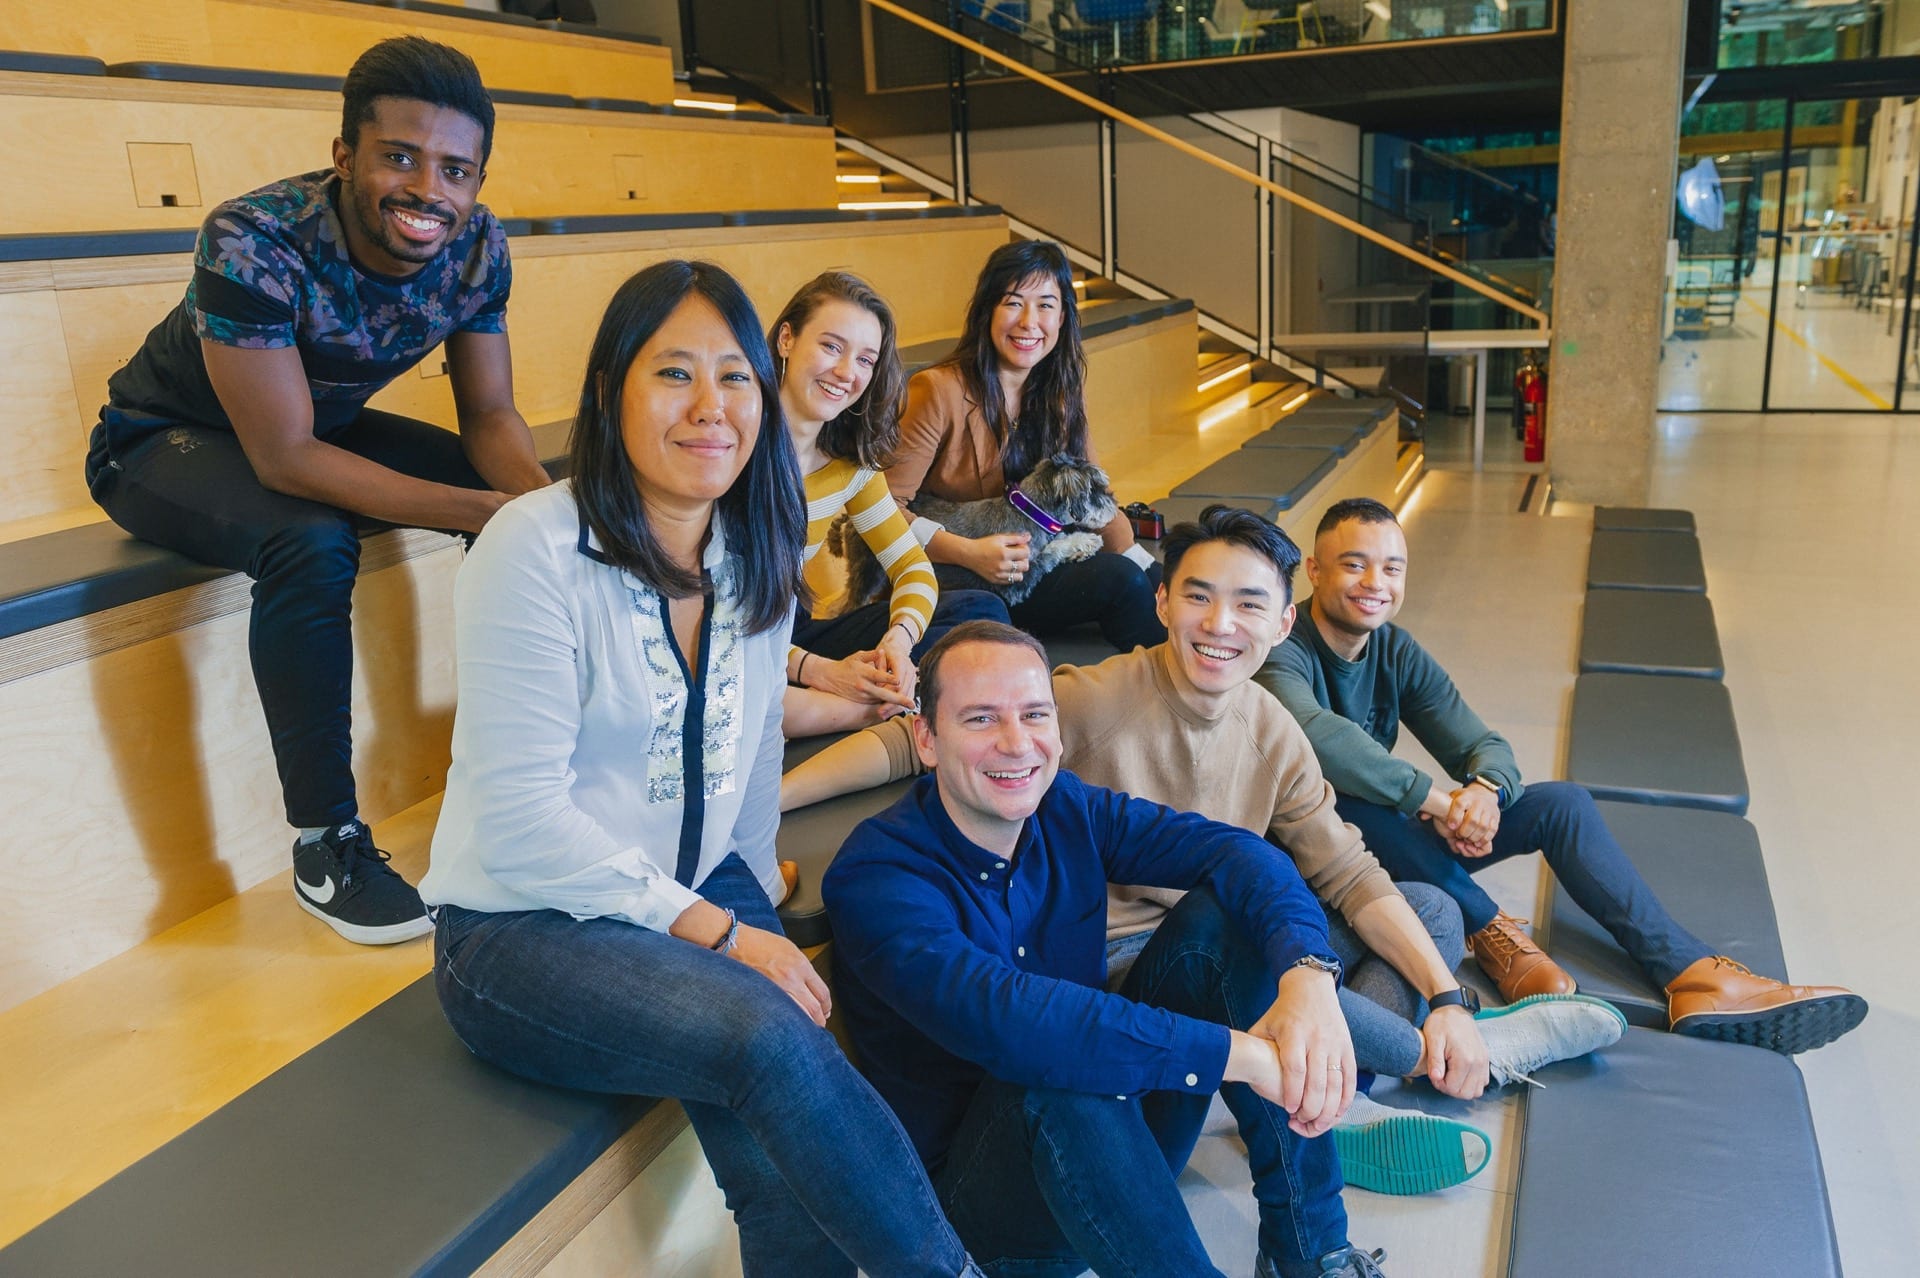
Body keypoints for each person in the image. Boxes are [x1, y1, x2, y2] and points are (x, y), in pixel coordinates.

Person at [788, 508, 1625, 1196]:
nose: (1221, 625)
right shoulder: (1086, 702)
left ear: (1283, 622)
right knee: (1235, 933)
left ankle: (1335, 1093)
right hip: (1130, 965)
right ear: (1162, 603)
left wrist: (1443, 994)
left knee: (1426, 909)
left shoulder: (1275, 730)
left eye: (1250, 605)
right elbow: (910, 741)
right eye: (1199, 597)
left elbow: (1347, 871)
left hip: (1228, 943)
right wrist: (773, 806)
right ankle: (1432, 1065)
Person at [419, 260, 984, 1278]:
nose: (711, 406)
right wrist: (725, 933)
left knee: (787, 1168)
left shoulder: (751, 544)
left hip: (696, 876)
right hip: (520, 925)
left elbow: (753, 740)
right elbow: (517, 824)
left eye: (734, 378)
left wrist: (753, 888)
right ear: (609, 392)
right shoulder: (530, 546)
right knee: (769, 1039)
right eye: (674, 373)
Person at [83, 37, 550, 945]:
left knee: (531, 503)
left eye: (455, 170)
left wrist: (539, 509)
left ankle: (527, 773)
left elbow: (491, 417)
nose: (428, 190)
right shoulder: (253, 237)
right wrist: (484, 512)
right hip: (161, 441)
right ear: (344, 156)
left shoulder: (478, 246)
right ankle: (325, 846)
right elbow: (286, 460)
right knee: (308, 538)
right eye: (399, 157)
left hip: (314, 421)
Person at [824, 620, 1393, 1278]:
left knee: (1223, 923)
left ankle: (1312, 1253)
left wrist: (1309, 978)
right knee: (1058, 1067)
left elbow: (1239, 852)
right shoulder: (877, 876)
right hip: (981, 1214)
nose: (1017, 742)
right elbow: (1020, 1024)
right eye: (980, 718)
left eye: (1035, 714)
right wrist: (1243, 1057)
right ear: (926, 738)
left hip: (1117, 1144)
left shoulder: (1063, 806)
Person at [1257, 497, 1868, 1056]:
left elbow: (1482, 745)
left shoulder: (1394, 649)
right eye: (1355, 565)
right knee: (1352, 803)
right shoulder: (1283, 649)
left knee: (1562, 804)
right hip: (1320, 861)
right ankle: (1492, 933)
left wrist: (1485, 792)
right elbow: (1322, 741)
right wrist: (1439, 803)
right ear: (1314, 571)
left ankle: (1690, 975)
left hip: (1395, 846)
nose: (1376, 583)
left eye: (1392, 568)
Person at [887, 240, 1165, 653]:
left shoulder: (1061, 392)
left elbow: (1096, 500)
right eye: (1014, 303)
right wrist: (968, 552)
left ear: (1063, 317)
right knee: (1120, 581)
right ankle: (1170, 679)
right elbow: (884, 510)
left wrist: (1148, 566)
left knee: (1168, 584)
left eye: (1046, 305)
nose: (1029, 322)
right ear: (987, 310)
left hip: (1036, 563)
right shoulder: (937, 389)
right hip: (961, 579)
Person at [768, 271, 1006, 740]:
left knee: (980, 612)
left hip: (790, 633)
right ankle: (879, 708)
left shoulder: (849, 465)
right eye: (831, 346)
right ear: (786, 339)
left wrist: (898, 642)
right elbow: (713, 618)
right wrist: (820, 671)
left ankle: (886, 698)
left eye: (865, 359)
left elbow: (912, 567)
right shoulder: (730, 450)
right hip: (735, 643)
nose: (846, 373)